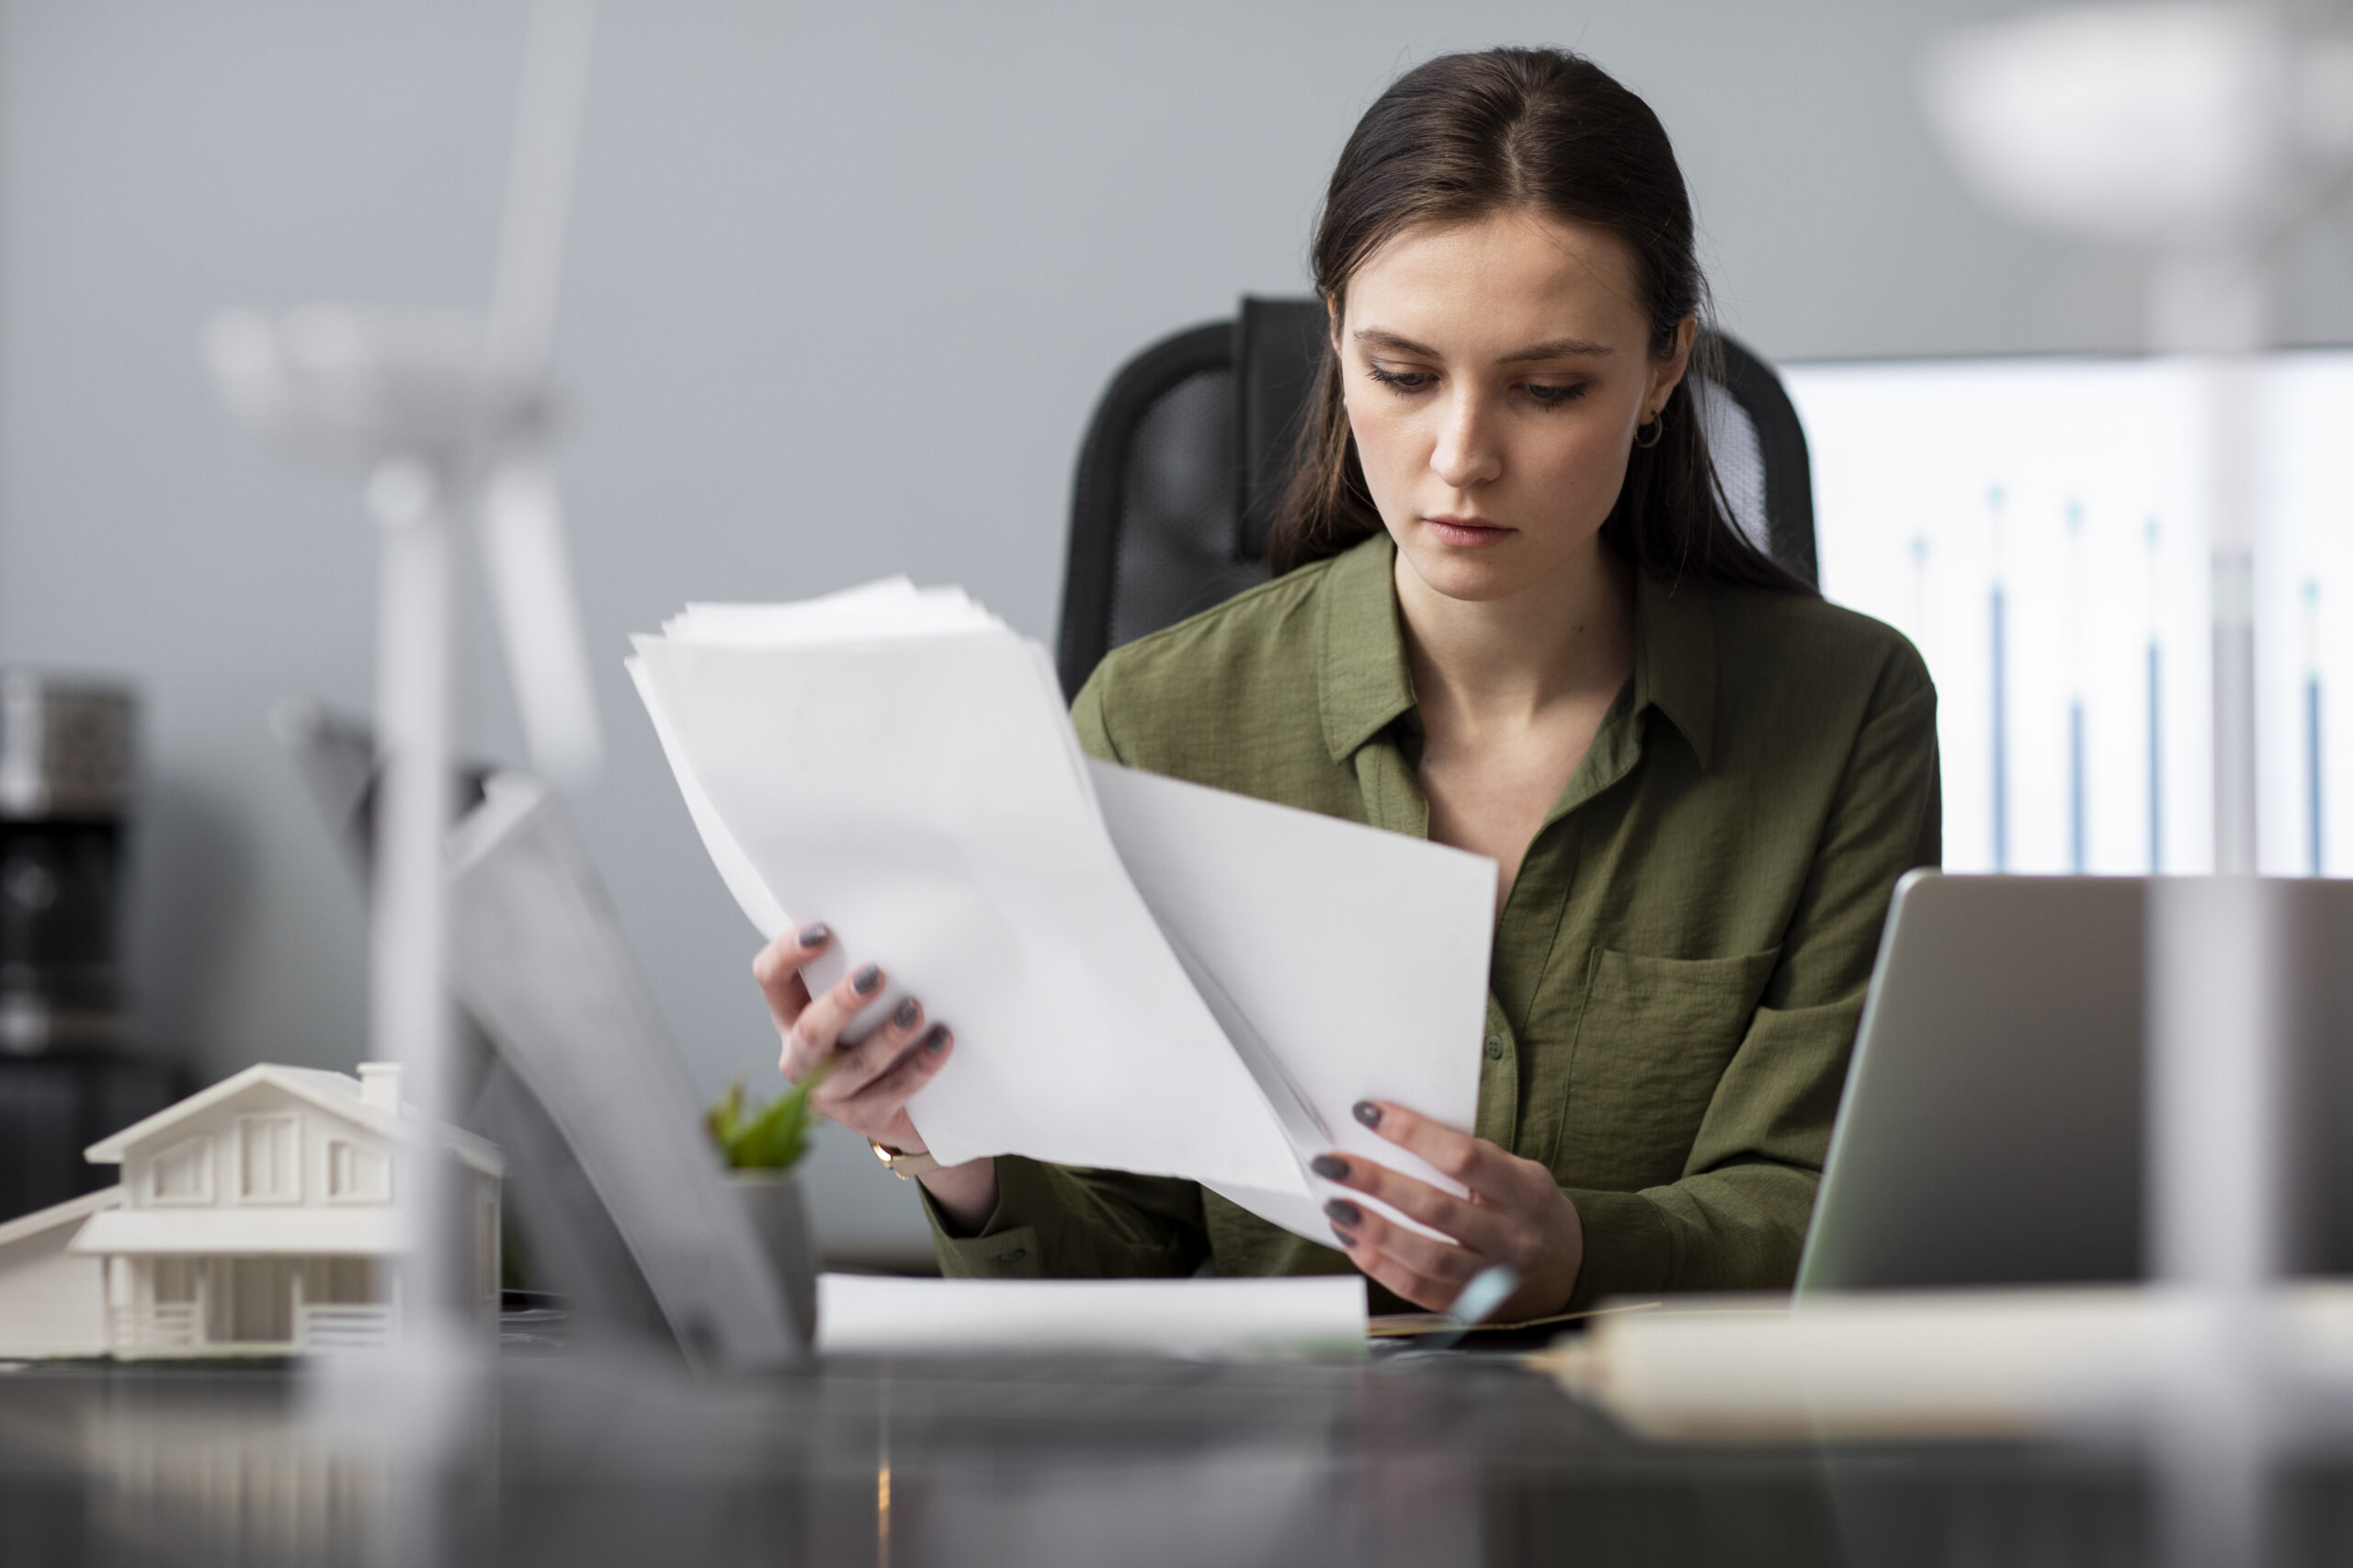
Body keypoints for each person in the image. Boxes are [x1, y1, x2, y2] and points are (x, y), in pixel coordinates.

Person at [752, 47, 1939, 1322]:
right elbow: (1111, 1254)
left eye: (1548, 389)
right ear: (1335, 339)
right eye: (1403, 374)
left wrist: (1582, 1249)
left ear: (1661, 371)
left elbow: (1821, 1198)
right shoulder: (1155, 719)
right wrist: (944, 1135)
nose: (1462, 457)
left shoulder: (1847, 708)